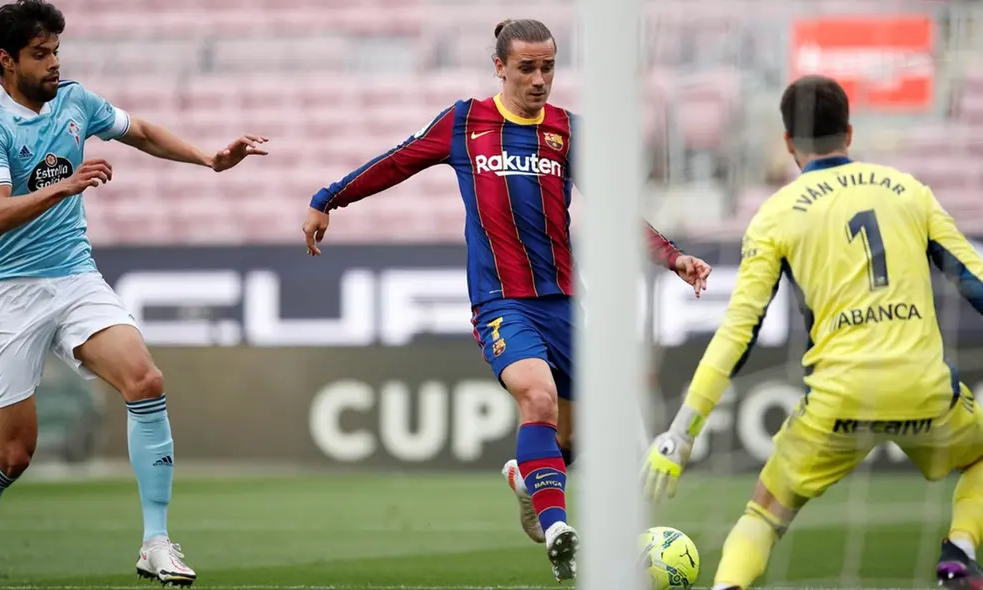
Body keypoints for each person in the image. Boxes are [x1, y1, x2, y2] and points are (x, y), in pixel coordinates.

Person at [303, 17, 711, 582]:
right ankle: (560, 532)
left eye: (548, 66)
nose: (540, 79)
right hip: (501, 303)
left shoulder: (569, 130)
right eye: (527, 67)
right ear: (500, 66)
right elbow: (397, 160)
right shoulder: (464, 121)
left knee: (578, 435)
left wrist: (672, 257)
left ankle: (529, 480)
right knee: (537, 399)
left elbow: (616, 208)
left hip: (565, 303)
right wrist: (329, 198)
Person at [643, 74, 983, 590]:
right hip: (924, 390)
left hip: (836, 400)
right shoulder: (910, 192)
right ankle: (959, 551)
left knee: (763, 515)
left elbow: (739, 333)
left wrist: (681, 432)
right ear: (848, 131)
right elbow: (974, 283)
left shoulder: (776, 214)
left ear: (787, 142)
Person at [0, 1, 268, 585]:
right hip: (5, 291)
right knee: (14, 456)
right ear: (7, 60)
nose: (55, 64)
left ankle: (155, 541)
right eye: (41, 55)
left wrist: (208, 158)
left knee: (146, 380)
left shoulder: (74, 100)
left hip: (74, 275)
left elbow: (139, 132)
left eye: (57, 50)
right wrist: (67, 185)